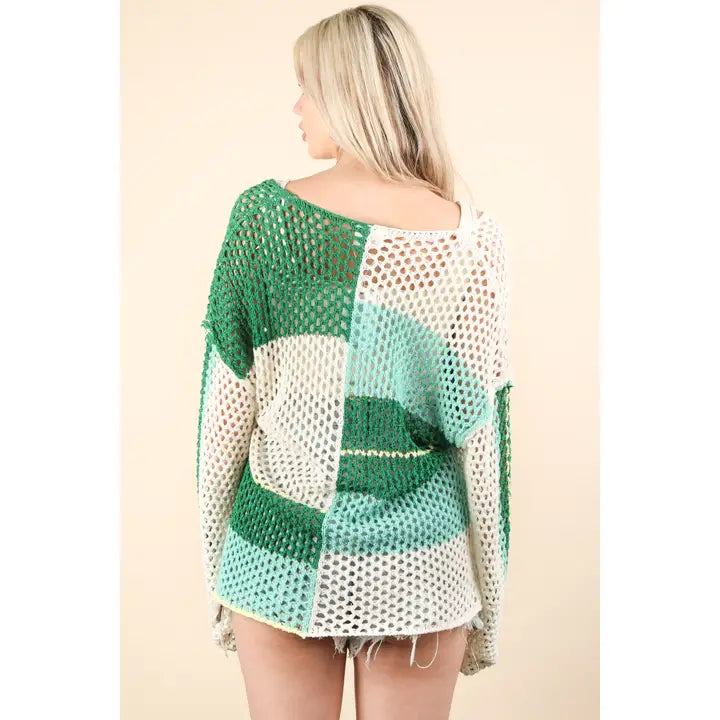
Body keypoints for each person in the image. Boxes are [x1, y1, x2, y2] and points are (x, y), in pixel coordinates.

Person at [195, 5, 513, 719]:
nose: (297, 107)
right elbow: (484, 442)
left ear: (347, 94)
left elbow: (223, 427)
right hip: (421, 560)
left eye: (306, 87)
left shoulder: (265, 221)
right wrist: (488, 608)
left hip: (278, 547)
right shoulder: (473, 242)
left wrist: (221, 569)